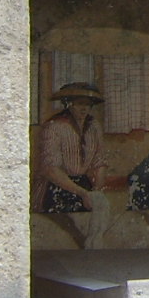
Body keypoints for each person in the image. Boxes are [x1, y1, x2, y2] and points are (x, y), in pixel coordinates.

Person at [36, 82, 105, 212]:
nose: (84, 108)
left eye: (87, 104)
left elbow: (99, 162)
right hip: (58, 186)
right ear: (69, 104)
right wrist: (82, 193)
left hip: (85, 185)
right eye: (79, 104)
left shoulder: (94, 127)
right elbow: (50, 169)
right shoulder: (54, 126)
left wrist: (96, 191)